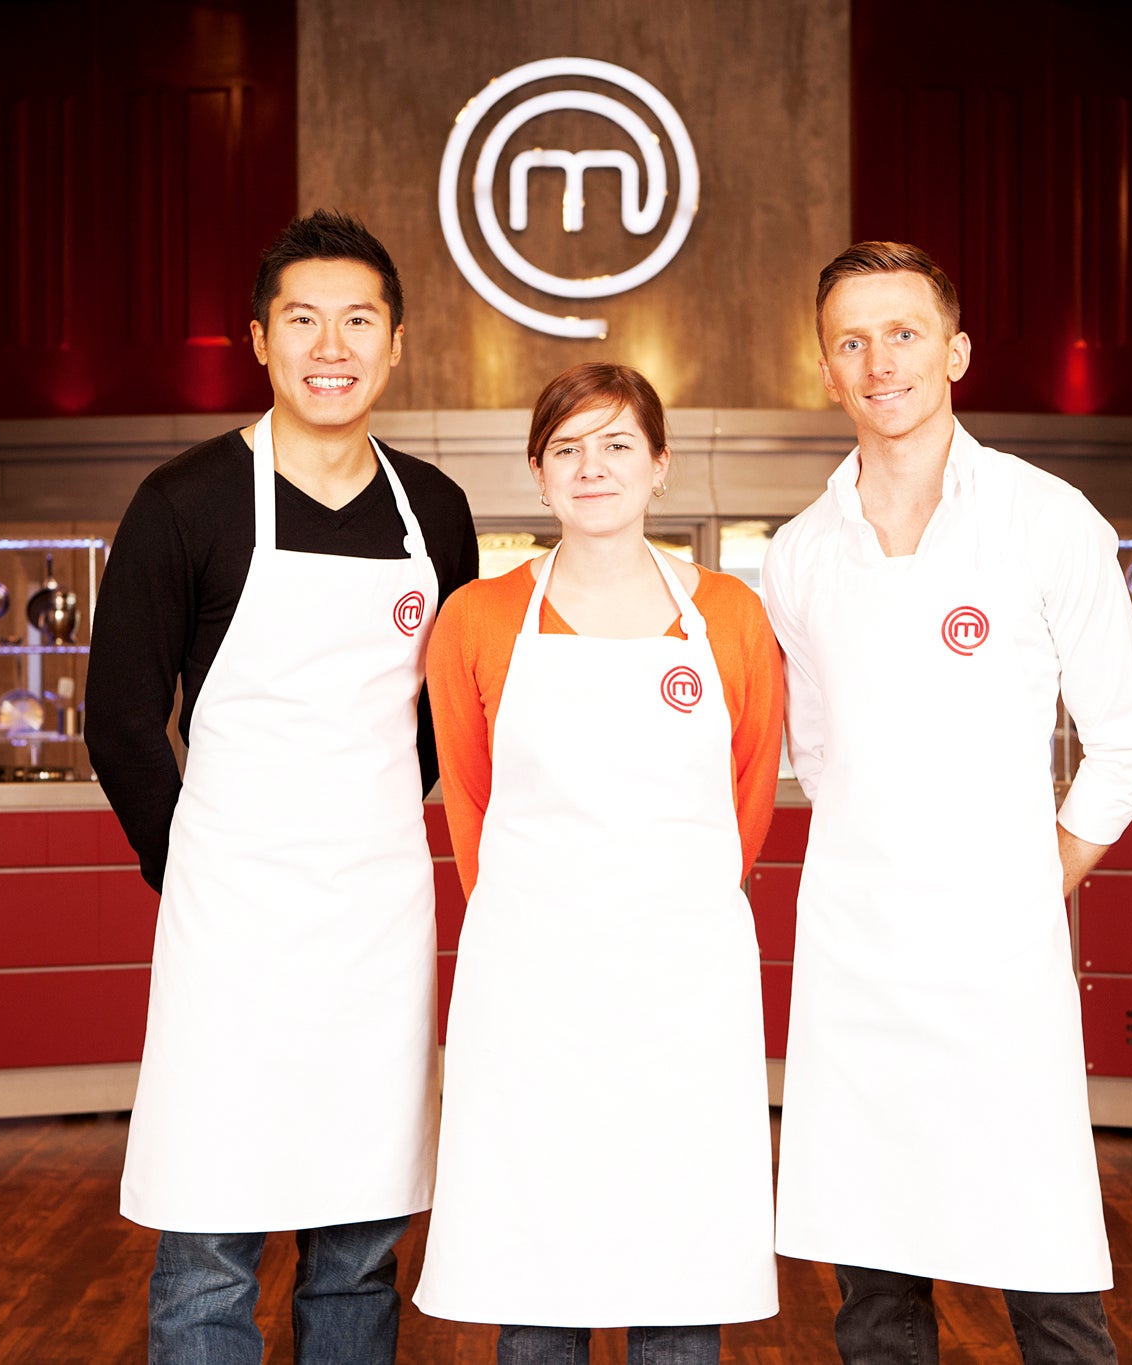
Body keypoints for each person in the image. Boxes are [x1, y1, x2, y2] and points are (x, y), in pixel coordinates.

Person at [86, 209, 479, 1365]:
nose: (331, 345)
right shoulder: (185, 502)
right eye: (302, 319)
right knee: (212, 1235)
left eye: (358, 320)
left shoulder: (437, 513)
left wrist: (377, 825)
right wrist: (193, 867)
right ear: (261, 340)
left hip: (376, 911)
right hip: (232, 915)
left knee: (358, 1239)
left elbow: (439, 719)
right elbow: (119, 719)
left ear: (395, 342)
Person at [762, 241, 1132, 1365]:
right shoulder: (798, 556)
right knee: (873, 1284)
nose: (876, 360)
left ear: (955, 351)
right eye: (850, 340)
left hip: (998, 959)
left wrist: (1030, 885)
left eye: (900, 333)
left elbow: (1124, 749)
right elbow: (817, 755)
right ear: (826, 369)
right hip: (852, 961)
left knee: (1044, 1270)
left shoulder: (1045, 521)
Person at [414, 363, 784, 1364]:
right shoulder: (476, 621)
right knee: (539, 1258)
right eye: (566, 448)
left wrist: (660, 912)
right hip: (533, 986)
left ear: (659, 466)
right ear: (537, 475)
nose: (592, 467)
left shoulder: (732, 621)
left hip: (684, 990)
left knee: (679, 1253)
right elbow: (469, 802)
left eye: (617, 443)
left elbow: (744, 806)